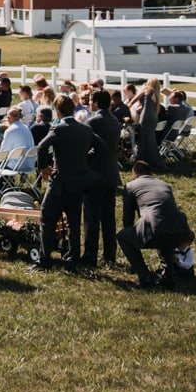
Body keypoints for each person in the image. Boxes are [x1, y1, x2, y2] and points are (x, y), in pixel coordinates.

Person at [34, 96, 95, 271]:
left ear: (58, 110)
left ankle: (44, 259)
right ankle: (72, 257)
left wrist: (43, 166)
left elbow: (41, 147)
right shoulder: (86, 129)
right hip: (78, 180)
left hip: (60, 182)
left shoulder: (59, 128)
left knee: (47, 218)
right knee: (74, 222)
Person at [119, 161, 196, 288]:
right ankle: (168, 276)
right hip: (181, 230)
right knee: (166, 236)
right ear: (150, 173)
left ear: (135, 174)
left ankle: (145, 276)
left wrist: (135, 234)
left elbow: (128, 218)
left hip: (154, 226)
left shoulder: (131, 186)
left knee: (123, 237)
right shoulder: (165, 185)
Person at [82, 88, 124, 265]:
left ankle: (90, 255)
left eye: (91, 100)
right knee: (108, 217)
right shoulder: (114, 119)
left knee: (92, 217)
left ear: (97, 102)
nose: (89, 103)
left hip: (95, 174)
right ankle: (109, 254)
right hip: (111, 173)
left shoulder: (93, 121)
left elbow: (86, 145)